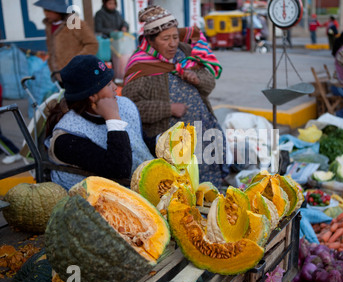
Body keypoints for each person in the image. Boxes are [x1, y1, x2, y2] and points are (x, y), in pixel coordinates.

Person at [121, 5, 227, 187]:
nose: (172, 44)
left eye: (175, 37)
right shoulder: (140, 66)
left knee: (210, 186)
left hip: (204, 133)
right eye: (165, 39)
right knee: (182, 188)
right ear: (151, 40)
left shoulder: (185, 53)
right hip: (172, 147)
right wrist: (168, 108)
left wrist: (197, 79)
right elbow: (131, 109)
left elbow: (210, 83)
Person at [44, 55, 155, 190]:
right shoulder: (67, 138)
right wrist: (113, 119)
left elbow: (141, 143)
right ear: (93, 96)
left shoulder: (122, 105)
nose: (115, 87)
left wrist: (167, 140)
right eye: (108, 84)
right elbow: (119, 170)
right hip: (91, 203)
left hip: (137, 187)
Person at [34, 0, 98, 76]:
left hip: (78, 72)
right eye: (44, 10)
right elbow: (51, 49)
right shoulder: (49, 26)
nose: (46, 13)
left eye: (49, 10)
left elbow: (92, 44)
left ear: (58, 10)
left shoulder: (75, 23)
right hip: (59, 73)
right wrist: (52, 66)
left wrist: (77, 61)